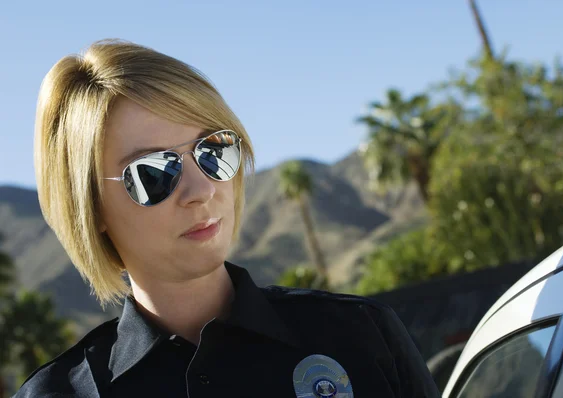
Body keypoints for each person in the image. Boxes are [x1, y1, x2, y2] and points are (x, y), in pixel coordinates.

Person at [15, 39, 440, 398]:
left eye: (212, 150)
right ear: (90, 207)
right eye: (152, 173)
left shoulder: (363, 336)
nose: (201, 191)